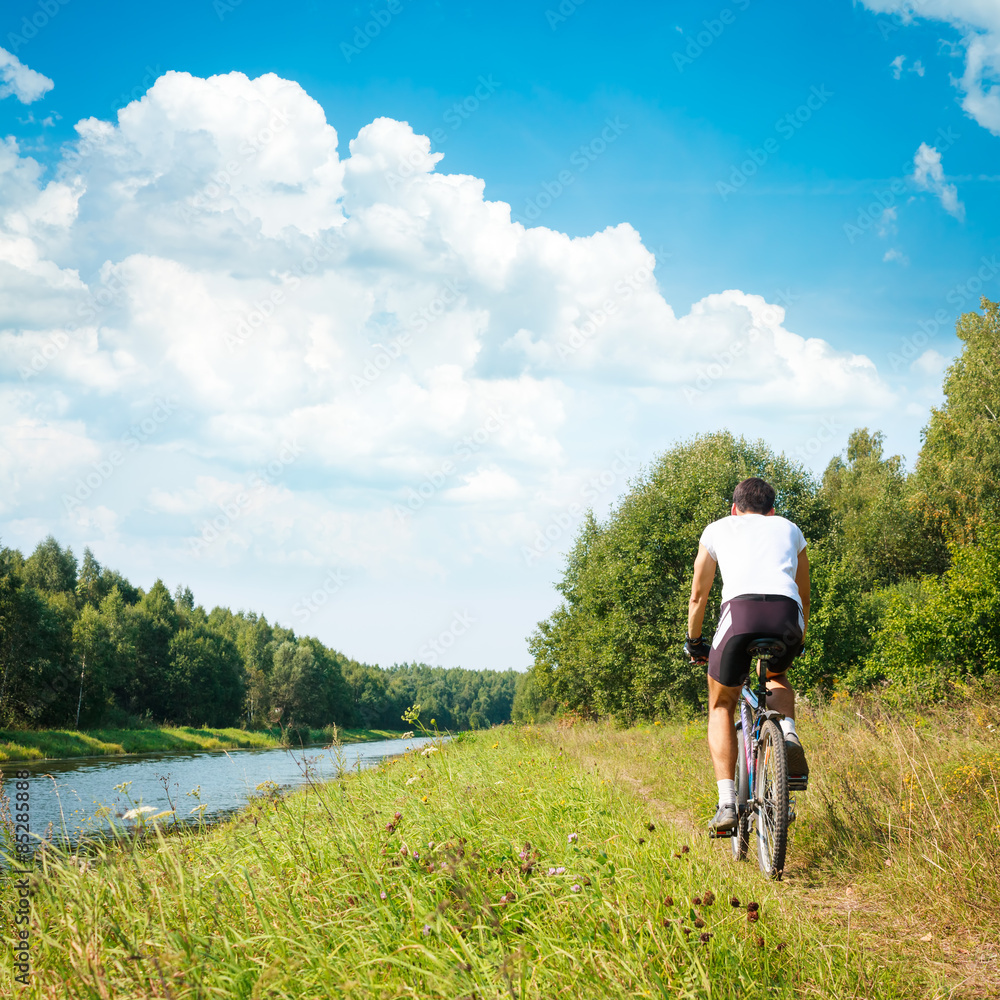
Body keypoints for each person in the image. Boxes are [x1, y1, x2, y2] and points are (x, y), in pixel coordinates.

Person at [683, 477, 810, 833]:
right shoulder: (790, 529)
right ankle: (788, 736)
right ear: (772, 511)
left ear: (734, 508)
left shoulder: (717, 529)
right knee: (775, 676)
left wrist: (695, 642)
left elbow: (698, 595)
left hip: (739, 617)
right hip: (787, 617)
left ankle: (726, 804)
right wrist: (797, 639)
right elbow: (804, 593)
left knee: (721, 703)